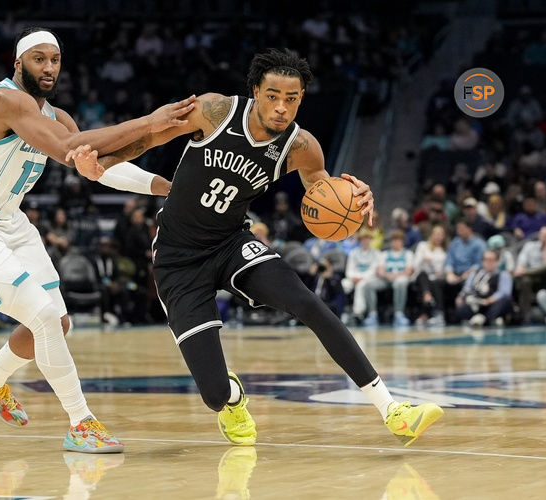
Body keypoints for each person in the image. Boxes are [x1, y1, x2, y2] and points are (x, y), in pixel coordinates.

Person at [68, 48, 443, 446]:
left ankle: (392, 410)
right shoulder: (214, 111)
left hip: (231, 242)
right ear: (255, 92)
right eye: (273, 96)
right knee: (214, 394)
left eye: (292, 99)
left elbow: (321, 191)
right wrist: (104, 162)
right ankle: (232, 397)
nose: (282, 107)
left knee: (309, 303)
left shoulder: (302, 146)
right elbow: (147, 139)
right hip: (178, 260)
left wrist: (353, 195)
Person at [0, 27, 196, 454]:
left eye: (54, 59)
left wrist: (168, 186)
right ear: (18, 64)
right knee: (43, 316)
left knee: (58, 321)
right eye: (39, 59)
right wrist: (149, 121)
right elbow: (68, 147)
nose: (49, 67)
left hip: (9, 222)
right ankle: (81, 423)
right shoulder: (3, 100)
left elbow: (101, 166)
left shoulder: (57, 117)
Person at [362, 230, 415, 327]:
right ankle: (372, 314)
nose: (395, 242)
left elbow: (409, 271)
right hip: (386, 279)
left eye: (398, 240)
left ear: (402, 241)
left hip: (400, 278)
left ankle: (399, 313)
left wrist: (396, 275)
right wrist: (387, 275)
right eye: (394, 240)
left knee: (400, 282)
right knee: (368, 285)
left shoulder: (408, 254)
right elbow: (380, 270)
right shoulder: (385, 254)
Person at [513, 225, 546, 324]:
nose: (545, 237)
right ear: (539, 235)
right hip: (530, 276)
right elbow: (522, 259)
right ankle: (524, 315)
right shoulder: (530, 245)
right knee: (526, 281)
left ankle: (525, 273)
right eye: (543, 234)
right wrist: (519, 267)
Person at [455, 250, 513, 327]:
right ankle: (484, 319)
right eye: (486, 260)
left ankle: (485, 319)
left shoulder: (503, 275)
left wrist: (488, 301)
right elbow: (467, 288)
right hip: (476, 303)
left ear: (497, 261)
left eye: (491, 260)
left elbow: (504, 292)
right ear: (482, 261)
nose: (488, 263)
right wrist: (461, 297)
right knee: (461, 309)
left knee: (506, 300)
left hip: (492, 303)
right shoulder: (475, 274)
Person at [412, 224, 448, 326]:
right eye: (436, 234)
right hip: (421, 276)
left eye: (441, 234)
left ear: (444, 237)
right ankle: (427, 296)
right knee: (423, 275)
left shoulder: (444, 251)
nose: (438, 236)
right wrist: (423, 258)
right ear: (431, 235)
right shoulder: (423, 246)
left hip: (437, 277)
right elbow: (415, 264)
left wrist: (440, 272)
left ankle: (425, 313)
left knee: (433, 282)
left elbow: (445, 269)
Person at [342, 229, 379, 324]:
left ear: (371, 240)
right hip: (354, 278)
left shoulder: (376, 253)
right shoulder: (353, 253)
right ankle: (344, 310)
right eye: (364, 239)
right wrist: (353, 277)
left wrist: (361, 278)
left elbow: (373, 270)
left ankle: (358, 313)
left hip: (368, 279)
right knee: (344, 284)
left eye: (368, 239)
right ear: (360, 240)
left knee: (361, 285)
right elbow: (349, 270)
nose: (366, 241)